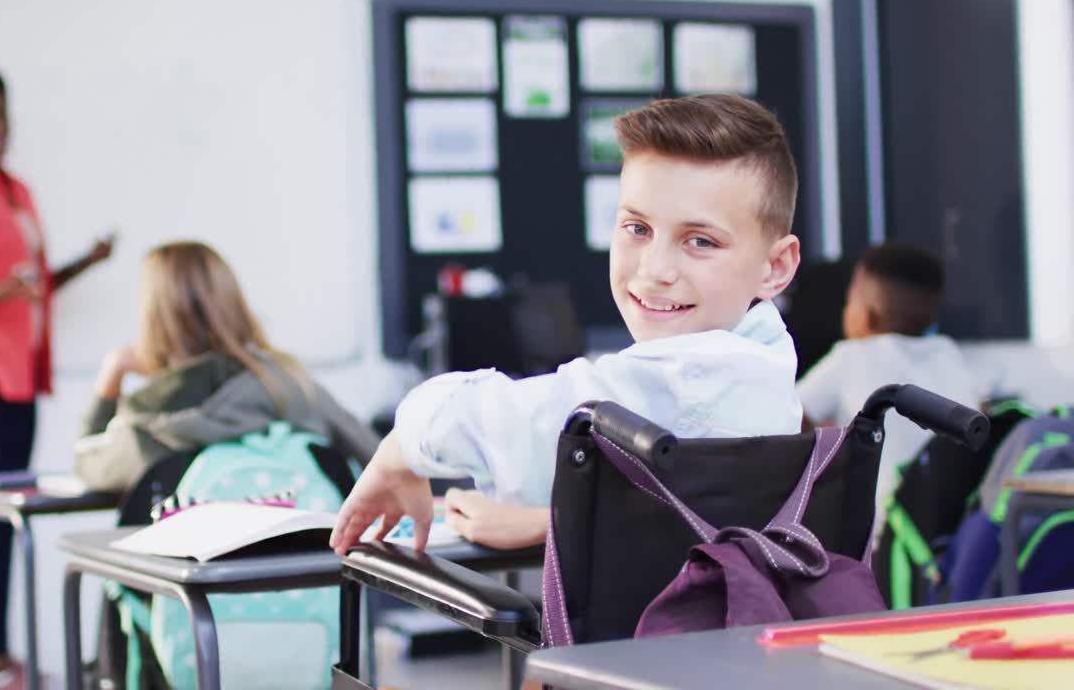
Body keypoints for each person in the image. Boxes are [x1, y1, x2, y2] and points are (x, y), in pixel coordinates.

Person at [330, 94, 804, 554]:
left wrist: (400, 448)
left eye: (700, 241)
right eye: (637, 229)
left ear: (776, 267)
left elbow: (503, 424)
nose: (656, 269)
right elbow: (687, 517)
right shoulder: (765, 357)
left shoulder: (691, 376)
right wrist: (551, 522)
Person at [0, 66, 114, 689]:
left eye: (3, 113)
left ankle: (2, 657)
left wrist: (86, 262)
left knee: (16, 514)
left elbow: (36, 288)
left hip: (23, 372)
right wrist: (12, 285)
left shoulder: (18, 191)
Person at [74, 240, 377, 492]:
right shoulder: (288, 383)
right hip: (305, 559)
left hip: (195, 564)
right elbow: (376, 455)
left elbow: (86, 465)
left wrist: (111, 377)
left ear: (153, 322)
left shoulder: (148, 424)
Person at [797, 242, 990, 521]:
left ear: (865, 315)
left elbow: (789, 411)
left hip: (877, 537)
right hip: (944, 531)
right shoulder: (950, 355)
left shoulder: (851, 358)